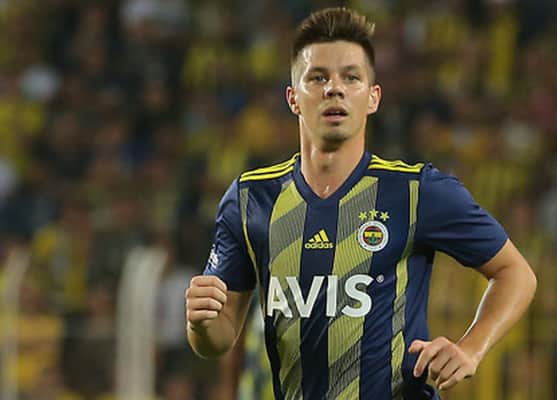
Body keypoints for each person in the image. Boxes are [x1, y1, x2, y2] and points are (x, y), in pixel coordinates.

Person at [185, 7, 537, 399]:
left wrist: (471, 348)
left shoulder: (417, 191)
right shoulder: (251, 200)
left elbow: (515, 273)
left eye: (350, 77)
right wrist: (201, 322)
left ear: (373, 98)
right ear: (293, 98)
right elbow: (217, 340)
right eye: (317, 77)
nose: (334, 88)